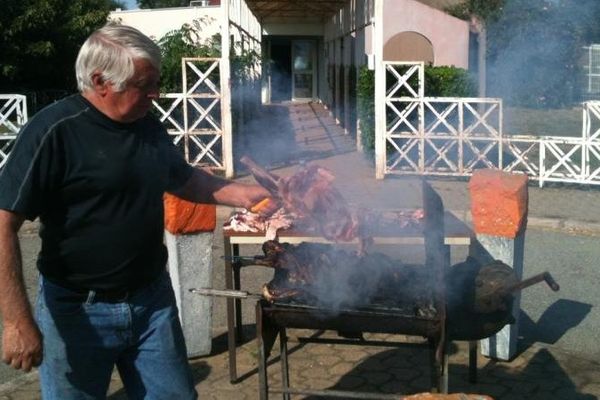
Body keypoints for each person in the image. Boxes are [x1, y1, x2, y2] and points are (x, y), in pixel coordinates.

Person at [0, 23, 271, 399]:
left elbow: (183, 180)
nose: (155, 95)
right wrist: (16, 321)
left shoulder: (147, 126)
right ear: (100, 81)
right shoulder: (54, 131)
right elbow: (2, 224)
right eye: (144, 86)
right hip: (77, 310)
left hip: (151, 302)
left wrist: (246, 194)